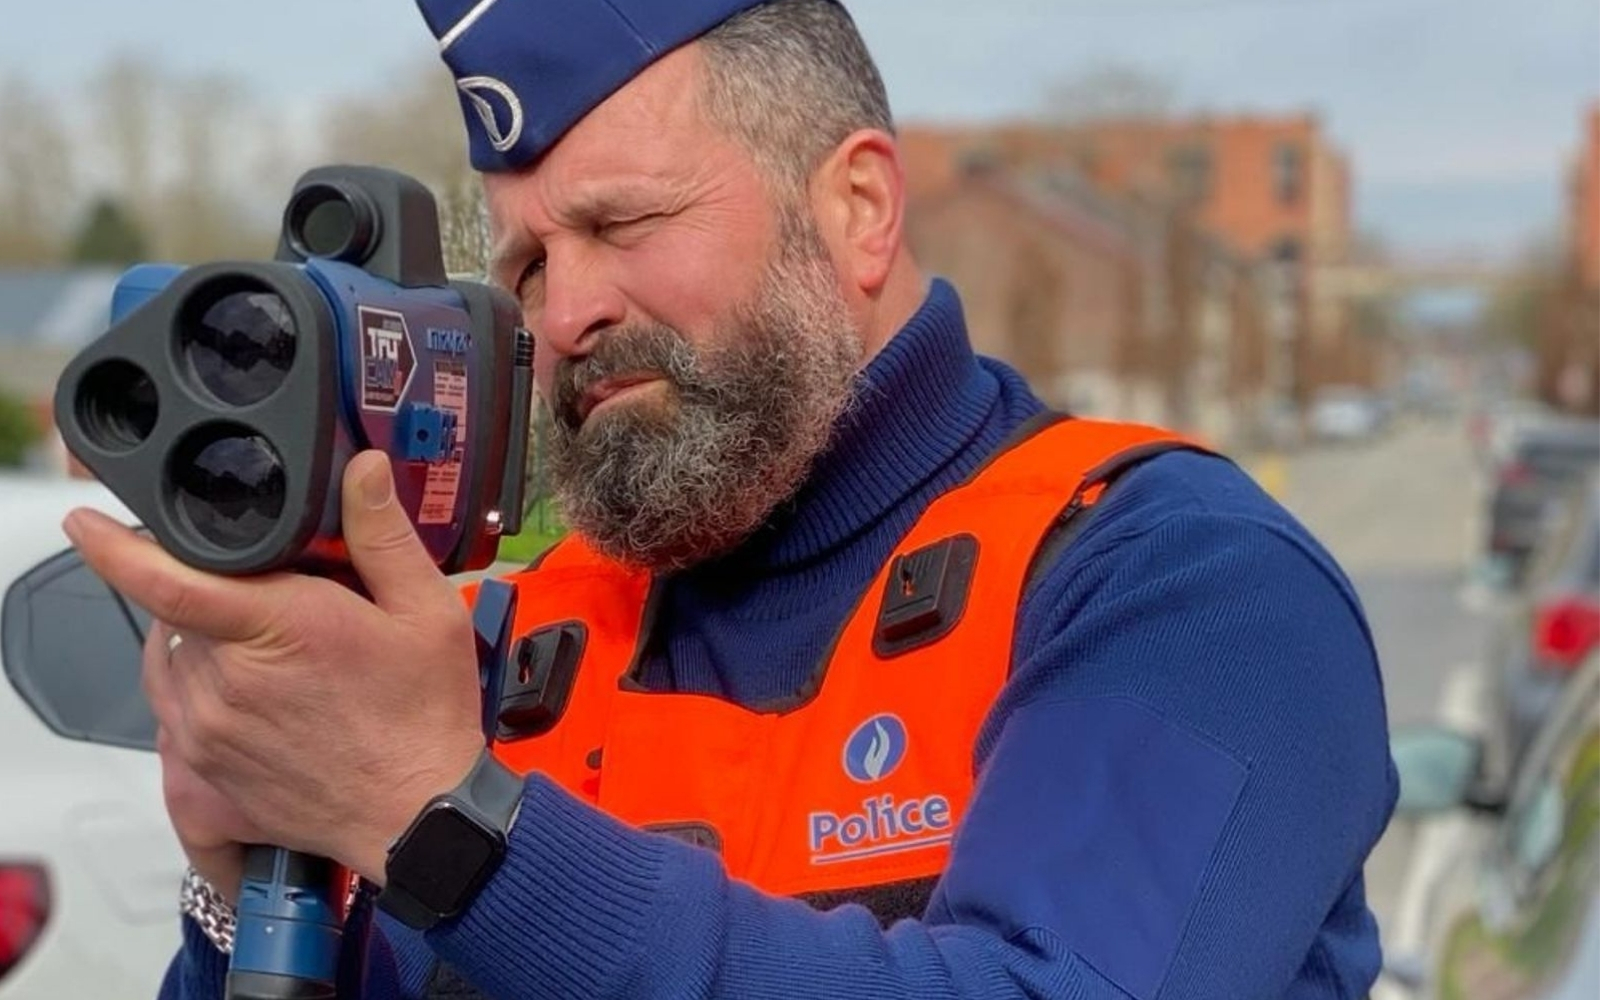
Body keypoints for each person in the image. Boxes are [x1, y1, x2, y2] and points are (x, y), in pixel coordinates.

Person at [66, 1, 1397, 997]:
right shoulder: (498, 652)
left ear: (860, 208)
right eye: (527, 260)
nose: (567, 310)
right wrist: (245, 891)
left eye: (623, 226)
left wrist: (450, 832)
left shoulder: (1181, 587)